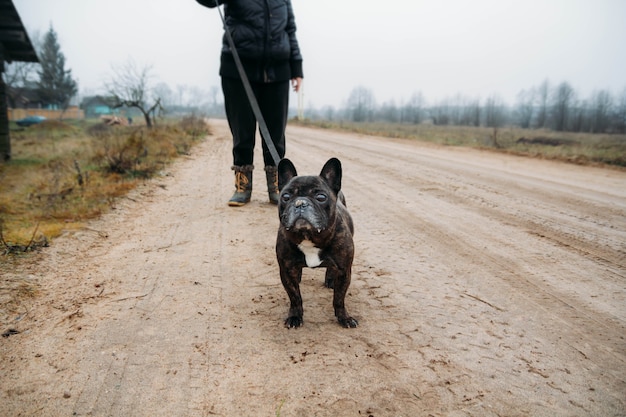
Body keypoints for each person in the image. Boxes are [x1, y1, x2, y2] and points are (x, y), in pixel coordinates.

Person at [196, 0, 304, 206]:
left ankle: (278, 186)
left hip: (278, 70)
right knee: (242, 130)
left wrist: (296, 67)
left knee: (275, 132)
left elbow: (290, 29)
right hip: (238, 68)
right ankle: (242, 185)